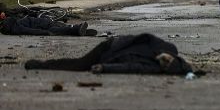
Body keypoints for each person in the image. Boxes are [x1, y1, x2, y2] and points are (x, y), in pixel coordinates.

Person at [24, 33, 194, 75]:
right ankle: (39, 65)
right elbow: (145, 36)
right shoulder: (168, 47)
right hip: (111, 46)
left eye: (165, 64)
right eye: (168, 60)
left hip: (109, 56)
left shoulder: (155, 68)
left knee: (80, 66)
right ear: (173, 57)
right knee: (79, 65)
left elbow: (130, 67)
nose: (164, 61)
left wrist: (105, 68)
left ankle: (40, 65)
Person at [0, 13, 92, 36]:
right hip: (41, 21)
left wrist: (44, 32)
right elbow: (29, 30)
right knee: (58, 26)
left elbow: (29, 31)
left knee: (56, 30)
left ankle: (76, 29)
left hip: (41, 25)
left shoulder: (12, 27)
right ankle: (78, 30)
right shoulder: (14, 23)